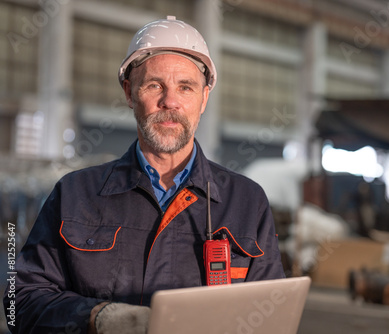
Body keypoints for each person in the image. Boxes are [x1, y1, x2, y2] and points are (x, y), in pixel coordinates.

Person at [4, 16, 285, 334]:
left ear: (204, 98)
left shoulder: (246, 201)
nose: (170, 102)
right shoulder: (75, 194)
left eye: (186, 87)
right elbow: (21, 303)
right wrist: (98, 317)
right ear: (129, 92)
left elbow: (270, 314)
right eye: (155, 85)